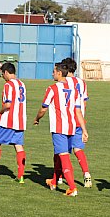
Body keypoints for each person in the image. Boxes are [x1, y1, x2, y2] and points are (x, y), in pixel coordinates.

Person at [33, 62, 88, 197]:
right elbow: (78, 111)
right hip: (72, 127)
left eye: (54, 71)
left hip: (59, 128)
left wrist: (37, 118)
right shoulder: (73, 90)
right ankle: (53, 181)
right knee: (60, 155)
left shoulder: (52, 89)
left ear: (59, 73)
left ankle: (72, 188)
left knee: (63, 157)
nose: (52, 73)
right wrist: (84, 129)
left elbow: (43, 108)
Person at [0, 62, 27, 183]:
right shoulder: (22, 84)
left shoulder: (8, 85)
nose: (2, 76)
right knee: (18, 146)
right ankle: (20, 175)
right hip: (20, 121)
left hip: (8, 121)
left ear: (6, 72)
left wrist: (0, 112)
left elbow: (8, 104)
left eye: (2, 74)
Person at [62, 57, 92, 188]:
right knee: (78, 149)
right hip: (79, 120)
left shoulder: (62, 82)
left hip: (66, 120)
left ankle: (60, 177)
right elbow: (84, 102)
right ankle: (86, 175)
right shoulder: (82, 82)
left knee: (63, 150)